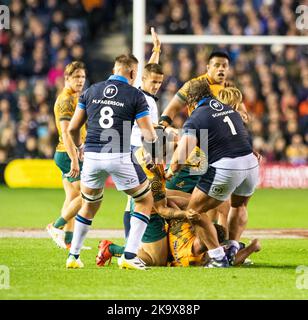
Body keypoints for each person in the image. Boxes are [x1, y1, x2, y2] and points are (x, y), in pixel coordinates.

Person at [66, 54, 158, 270]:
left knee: (89, 204)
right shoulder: (135, 94)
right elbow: (149, 133)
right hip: (118, 155)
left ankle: (73, 255)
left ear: (115, 69)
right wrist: (152, 150)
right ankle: (129, 255)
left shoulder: (91, 90)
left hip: (92, 156)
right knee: (145, 200)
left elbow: (72, 128)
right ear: (133, 73)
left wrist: (80, 148)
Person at [166, 79, 259, 268]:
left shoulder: (196, 117)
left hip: (227, 166)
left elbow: (181, 157)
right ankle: (232, 247)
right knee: (239, 205)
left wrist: (170, 171)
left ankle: (217, 257)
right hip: (250, 163)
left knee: (194, 211)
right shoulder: (230, 110)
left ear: (191, 102)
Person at [123, 27, 164, 238]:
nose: (156, 85)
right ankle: (132, 244)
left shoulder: (141, 91)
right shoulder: (145, 100)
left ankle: (130, 241)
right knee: (140, 197)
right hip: (137, 150)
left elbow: (149, 70)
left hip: (134, 149)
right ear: (144, 80)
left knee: (133, 198)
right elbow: (152, 131)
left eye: (159, 82)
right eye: (153, 82)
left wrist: (156, 50)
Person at [46, 61, 87, 249]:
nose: (81, 81)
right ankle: (55, 226)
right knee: (86, 196)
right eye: (77, 77)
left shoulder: (74, 97)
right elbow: (66, 132)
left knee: (72, 198)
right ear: (67, 78)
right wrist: (74, 159)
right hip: (67, 154)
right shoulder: (65, 100)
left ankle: (69, 241)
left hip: (67, 152)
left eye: (83, 77)